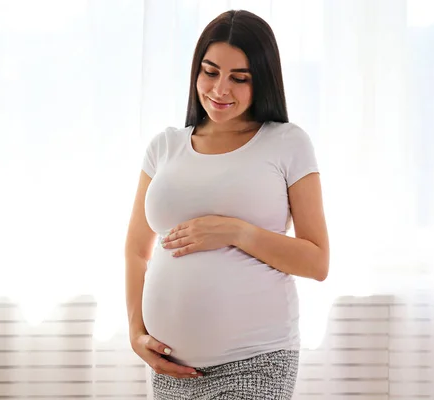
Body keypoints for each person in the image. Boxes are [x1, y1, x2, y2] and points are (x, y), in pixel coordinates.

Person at [125, 9, 329, 400]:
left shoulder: (287, 143)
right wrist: (136, 331)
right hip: (171, 366)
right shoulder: (164, 147)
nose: (220, 89)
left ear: (263, 80)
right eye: (210, 71)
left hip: (256, 361)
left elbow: (317, 261)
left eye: (240, 78)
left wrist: (236, 231)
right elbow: (136, 250)